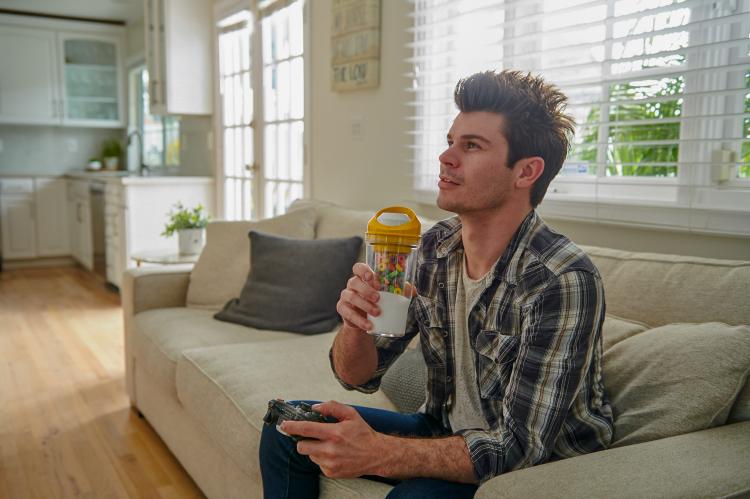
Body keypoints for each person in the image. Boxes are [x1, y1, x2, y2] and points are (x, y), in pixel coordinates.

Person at [259, 70, 614, 498]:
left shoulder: (561, 280)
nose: (446, 157)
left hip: (539, 466)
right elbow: (357, 376)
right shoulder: (432, 249)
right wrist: (355, 323)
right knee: (288, 425)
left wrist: (377, 452)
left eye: (472, 146)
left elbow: (519, 447)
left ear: (526, 172)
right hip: (445, 426)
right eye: (450, 141)